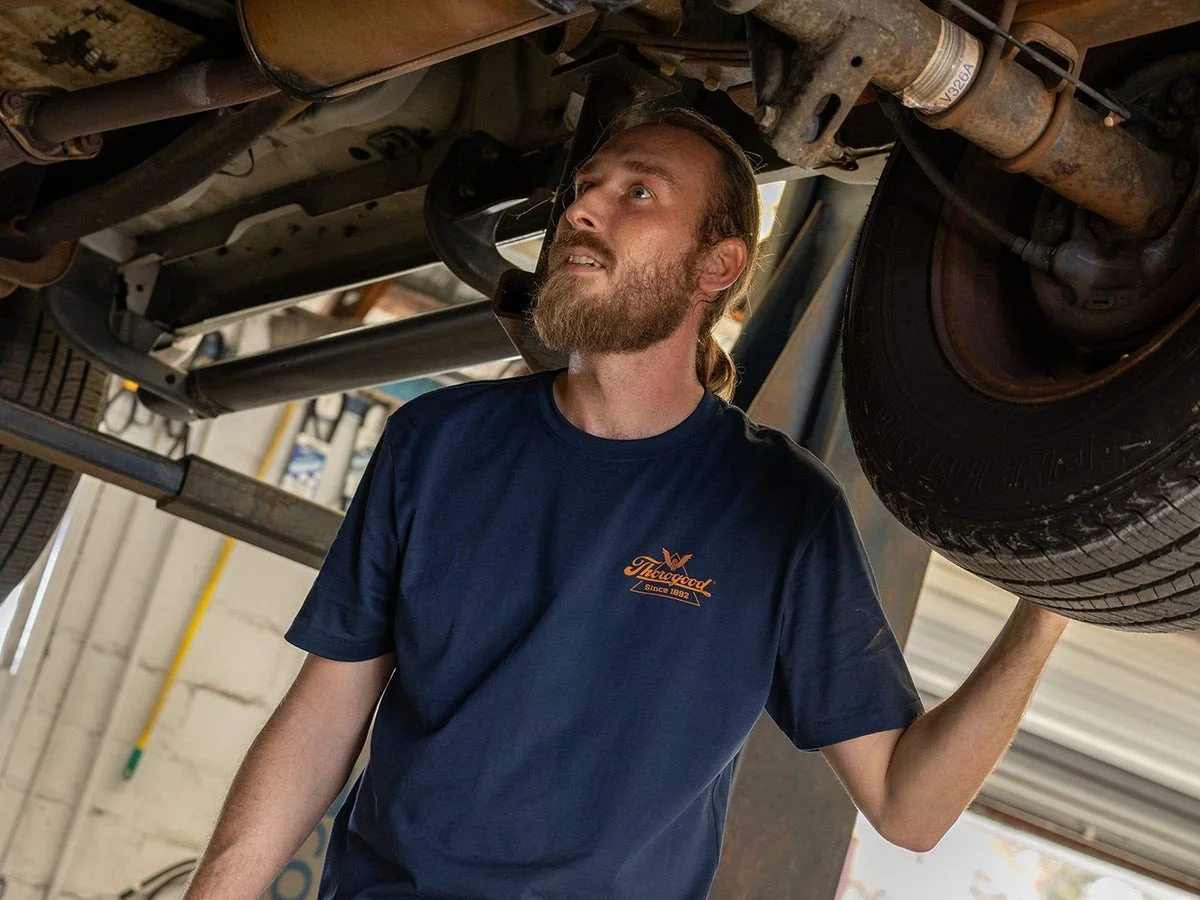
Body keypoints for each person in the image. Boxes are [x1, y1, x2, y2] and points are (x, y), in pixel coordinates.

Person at [182, 107, 1069, 900]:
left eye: (638, 192)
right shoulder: (439, 442)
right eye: (586, 189)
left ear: (716, 266)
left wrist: (1054, 608)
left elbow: (908, 808)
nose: (581, 208)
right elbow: (327, 710)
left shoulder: (780, 510)